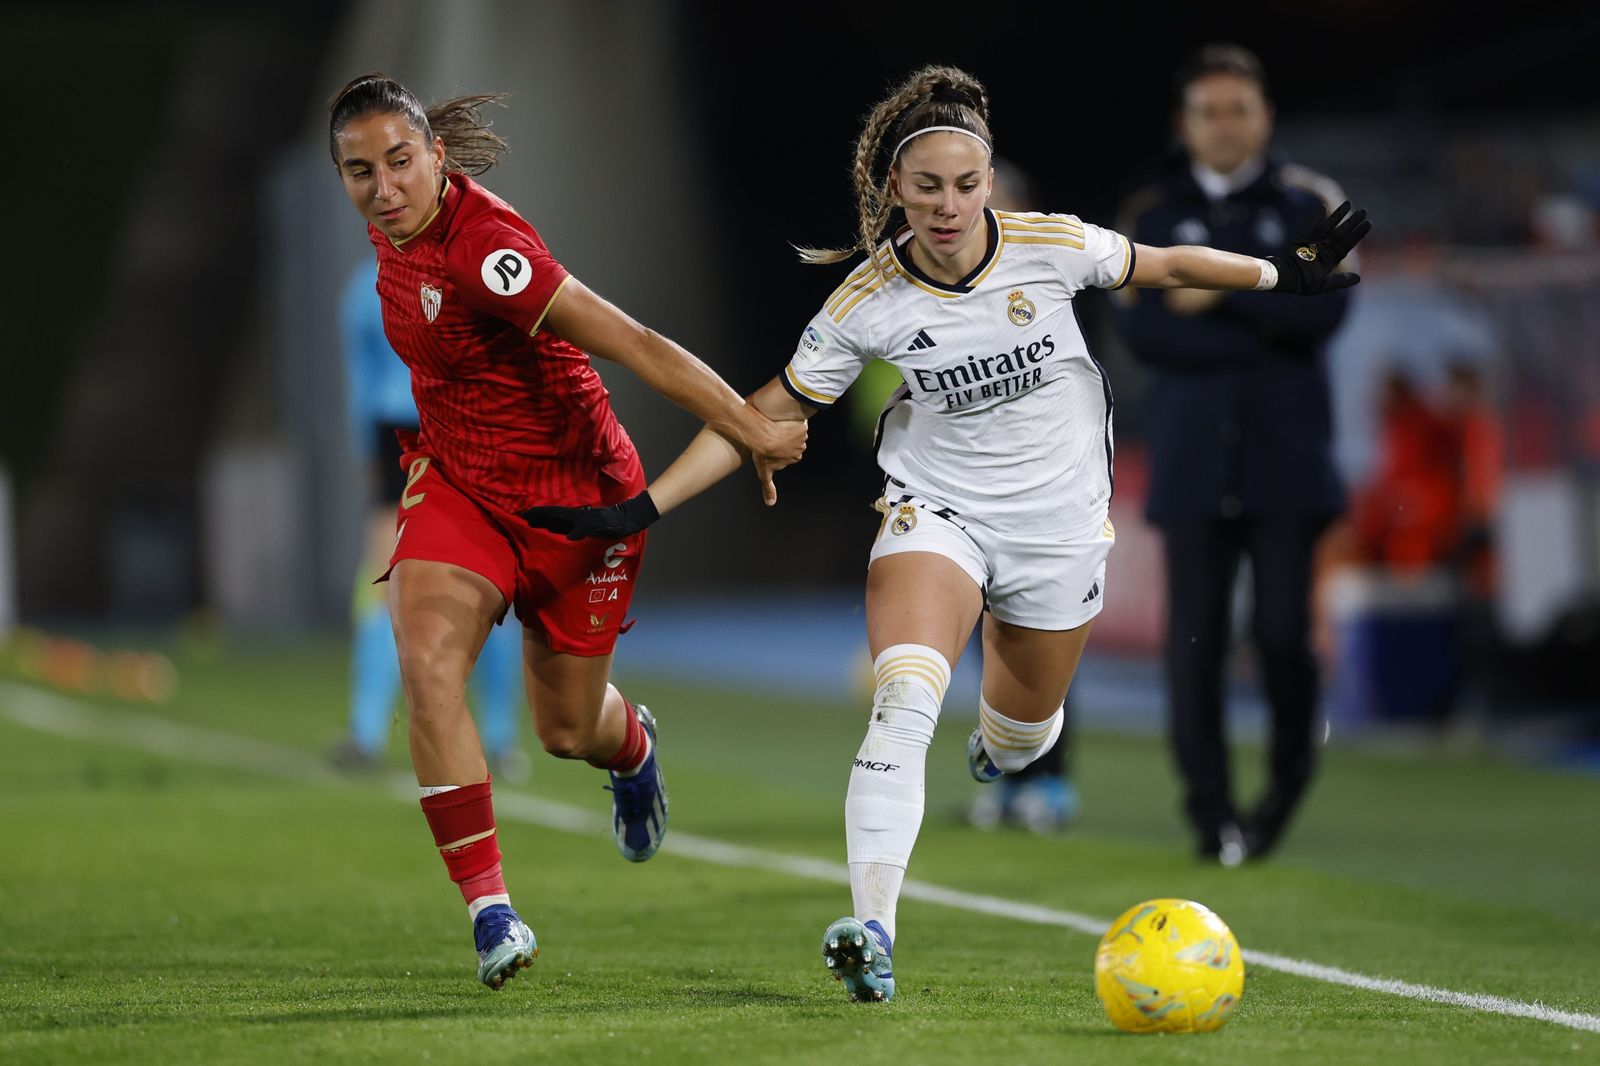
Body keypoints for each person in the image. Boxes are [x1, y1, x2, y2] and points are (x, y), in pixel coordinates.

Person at [524, 64, 1368, 1002]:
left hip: (1058, 534)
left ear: (991, 179)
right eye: (926, 187)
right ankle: (872, 932)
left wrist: (1281, 275)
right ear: (894, 191)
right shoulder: (866, 301)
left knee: (1021, 739)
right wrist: (643, 506)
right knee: (904, 704)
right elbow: (764, 410)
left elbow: (1166, 263)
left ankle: (1000, 749)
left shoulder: (1050, 246)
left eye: (967, 184)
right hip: (939, 512)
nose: (949, 205)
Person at [327, 73, 806, 990]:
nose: (383, 188)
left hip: (577, 502)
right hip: (461, 482)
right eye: (359, 171)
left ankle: (632, 748)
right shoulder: (389, 228)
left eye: (399, 163)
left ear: (435, 156)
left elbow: (632, 340)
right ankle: (491, 912)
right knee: (426, 666)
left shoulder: (486, 249)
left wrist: (750, 431)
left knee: (565, 730)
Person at [1112, 43, 1358, 866]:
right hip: (1191, 468)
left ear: (1267, 116)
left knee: (1284, 637)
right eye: (1208, 111)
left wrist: (1212, 289)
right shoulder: (1150, 212)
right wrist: (1275, 285)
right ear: (1184, 123)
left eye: (1239, 109)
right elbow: (1143, 332)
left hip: (1288, 464)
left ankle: (1285, 788)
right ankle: (1212, 817)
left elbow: (1323, 319)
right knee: (1195, 649)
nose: (1225, 125)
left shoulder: (1310, 202)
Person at [328, 257, 526, 781]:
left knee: (384, 576)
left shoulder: (363, 288)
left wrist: (368, 466)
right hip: (443, 429)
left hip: (409, 430)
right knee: (485, 578)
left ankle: (366, 731)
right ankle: (500, 741)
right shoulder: (463, 271)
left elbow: (360, 386)